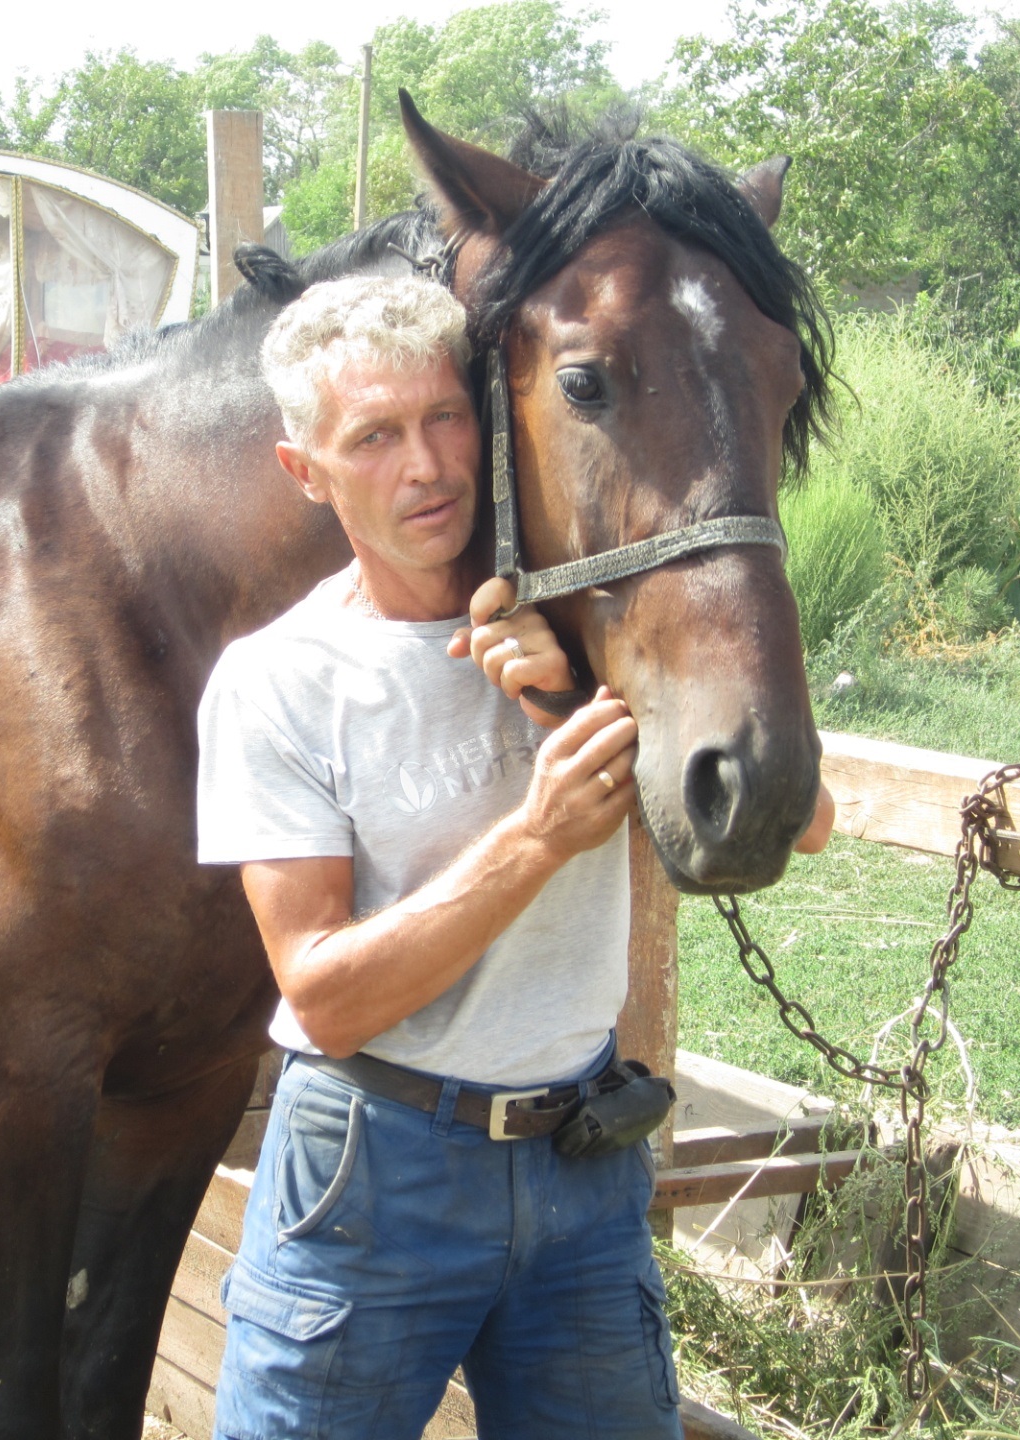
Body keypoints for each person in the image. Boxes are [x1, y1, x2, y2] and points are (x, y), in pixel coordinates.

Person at [196, 274, 833, 1440]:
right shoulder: (281, 683)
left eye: (446, 418)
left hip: (583, 1167)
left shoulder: (583, 620)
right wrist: (537, 838)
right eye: (374, 437)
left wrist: (583, 693)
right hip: (376, 1172)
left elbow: (806, 820)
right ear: (309, 472)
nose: (428, 466)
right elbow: (326, 997)